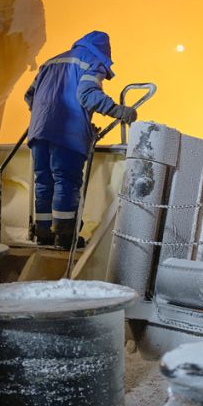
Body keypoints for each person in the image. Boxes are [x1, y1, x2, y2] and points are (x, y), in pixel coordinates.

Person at [23, 31, 137, 248]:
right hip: (66, 134)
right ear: (104, 51)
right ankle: (65, 236)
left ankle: (43, 232)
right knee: (66, 180)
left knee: (44, 182)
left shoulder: (51, 61)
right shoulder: (92, 61)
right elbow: (87, 94)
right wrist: (118, 110)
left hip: (38, 131)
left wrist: (45, 117)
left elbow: (30, 96)